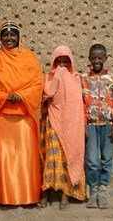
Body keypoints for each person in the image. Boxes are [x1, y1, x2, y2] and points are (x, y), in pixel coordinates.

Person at [0, 21, 44, 205]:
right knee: (3, 156)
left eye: (12, 35)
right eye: (5, 35)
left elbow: (38, 83)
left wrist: (21, 95)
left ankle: (27, 196)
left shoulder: (30, 58)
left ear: (19, 38)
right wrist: (4, 96)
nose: (9, 38)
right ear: (0, 39)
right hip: (1, 116)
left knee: (24, 157)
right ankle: (1, 197)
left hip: (23, 114)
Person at [37, 46, 86, 210]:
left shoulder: (77, 78)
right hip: (53, 122)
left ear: (71, 62)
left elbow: (77, 103)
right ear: (54, 62)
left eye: (66, 62)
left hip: (70, 125)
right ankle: (46, 192)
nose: (62, 66)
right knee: (51, 157)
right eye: (59, 62)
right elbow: (47, 95)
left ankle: (65, 193)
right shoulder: (49, 77)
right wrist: (57, 78)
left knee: (67, 157)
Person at [81, 44, 113, 209]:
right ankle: (93, 190)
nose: (96, 61)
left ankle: (103, 190)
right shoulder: (84, 79)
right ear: (89, 59)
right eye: (93, 57)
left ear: (105, 59)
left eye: (100, 58)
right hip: (91, 125)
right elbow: (81, 104)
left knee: (106, 158)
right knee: (92, 160)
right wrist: (83, 125)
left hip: (108, 125)